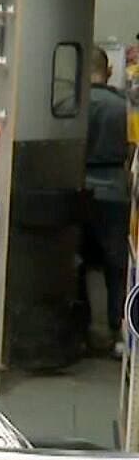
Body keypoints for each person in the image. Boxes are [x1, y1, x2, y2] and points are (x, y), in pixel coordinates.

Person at [81, 46, 130, 352]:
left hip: (82, 187)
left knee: (78, 262)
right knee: (116, 266)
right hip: (115, 190)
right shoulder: (123, 106)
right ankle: (118, 331)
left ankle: (83, 328)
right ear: (109, 70)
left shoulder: (73, 104)